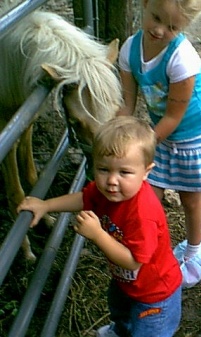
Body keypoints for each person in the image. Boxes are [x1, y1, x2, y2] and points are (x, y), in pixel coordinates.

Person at [18, 116, 182, 337]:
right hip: (126, 283)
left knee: (148, 331)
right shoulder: (107, 191)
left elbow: (134, 261)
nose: (112, 180)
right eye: (103, 169)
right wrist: (46, 205)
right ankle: (121, 330)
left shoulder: (143, 213)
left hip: (155, 294)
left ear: (146, 172)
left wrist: (97, 234)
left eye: (124, 172)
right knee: (119, 310)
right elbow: (84, 198)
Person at [117, 0, 201, 288]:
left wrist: (142, 145)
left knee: (191, 199)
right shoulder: (129, 50)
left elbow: (174, 116)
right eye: (155, 18)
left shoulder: (182, 59)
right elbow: (127, 103)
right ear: (145, 4)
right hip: (160, 134)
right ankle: (146, 248)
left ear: (184, 27)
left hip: (194, 135)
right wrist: (114, 133)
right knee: (148, 194)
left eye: (172, 26)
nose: (160, 30)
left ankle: (195, 249)